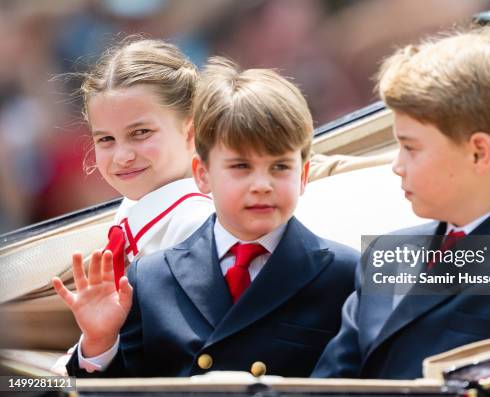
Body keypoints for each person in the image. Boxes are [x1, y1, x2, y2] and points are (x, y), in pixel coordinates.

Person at [312, 24, 490, 379]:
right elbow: (330, 381)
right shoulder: (386, 252)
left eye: (410, 147)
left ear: (479, 152)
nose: (396, 166)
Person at [56, 57, 358, 378]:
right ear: (203, 173)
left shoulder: (347, 272)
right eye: (240, 167)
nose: (261, 186)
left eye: (280, 167)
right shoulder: (151, 277)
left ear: (303, 175)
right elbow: (126, 385)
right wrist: (99, 343)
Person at [50, 38, 214, 374]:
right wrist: (94, 344)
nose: (122, 156)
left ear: (191, 132)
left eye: (140, 132)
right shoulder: (133, 211)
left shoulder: (196, 225)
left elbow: (178, 361)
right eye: (106, 139)